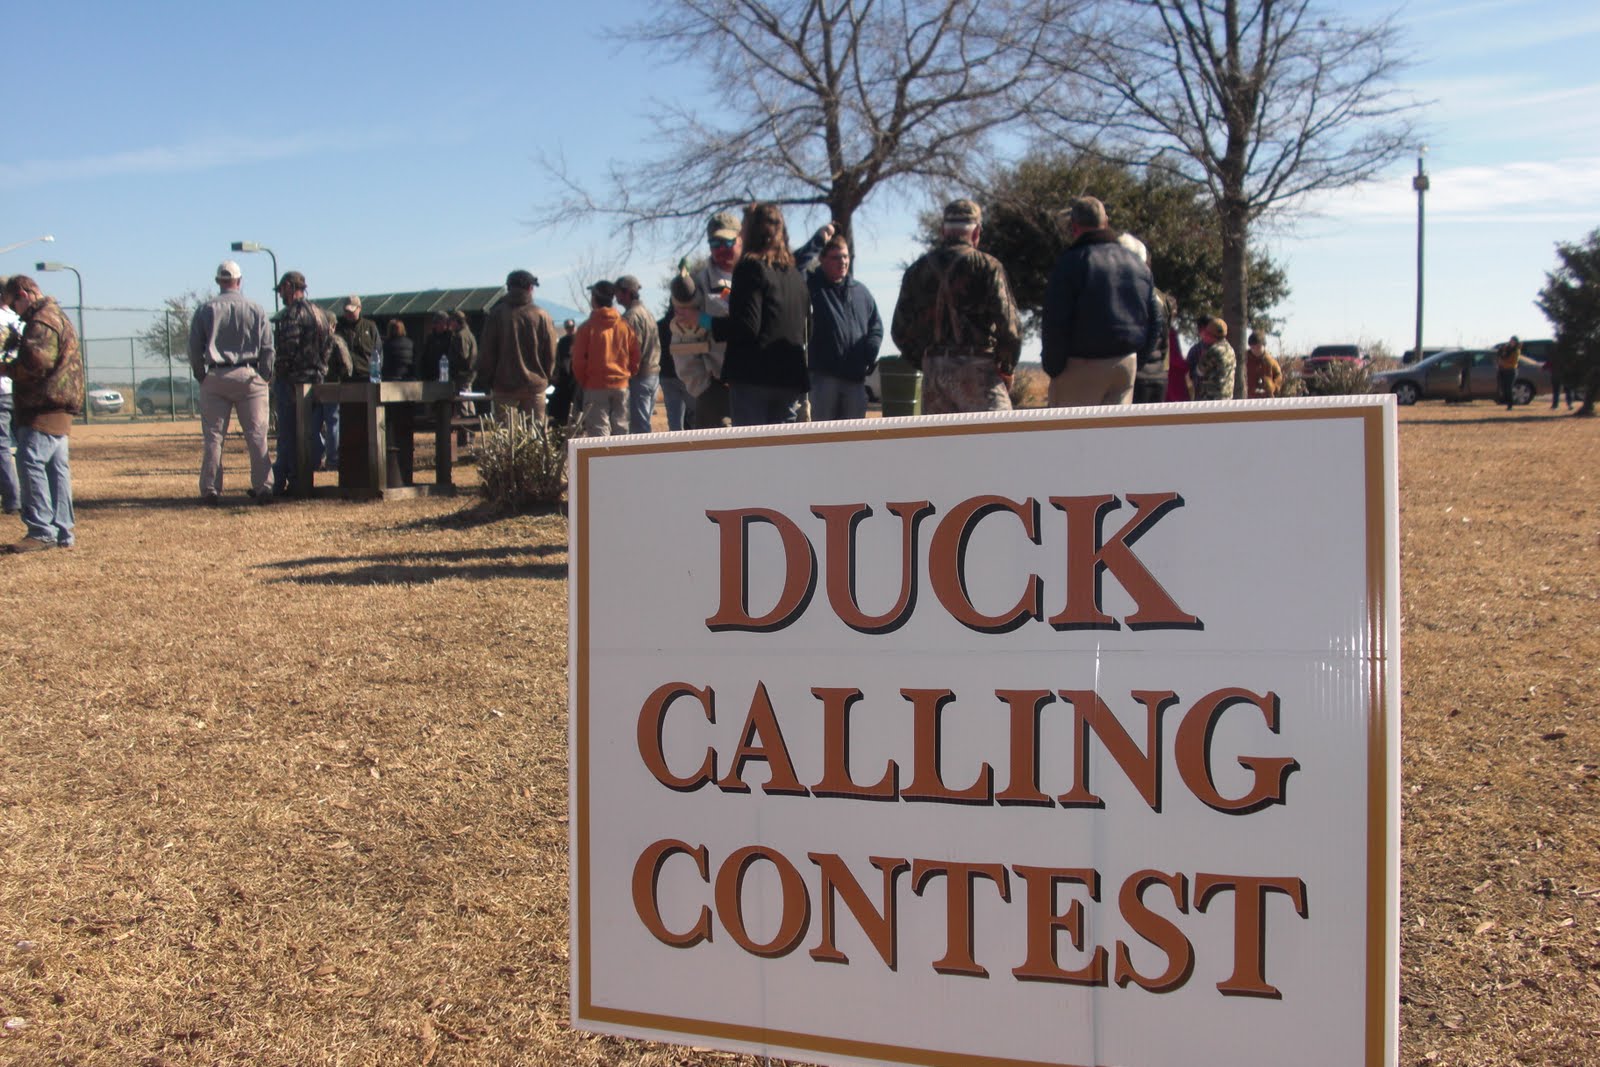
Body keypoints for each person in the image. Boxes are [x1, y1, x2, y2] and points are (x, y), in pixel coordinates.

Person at [891, 198, 1021, 414]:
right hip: (978, 369)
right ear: (977, 232)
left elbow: (899, 331)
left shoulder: (916, 270)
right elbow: (1010, 329)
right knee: (1001, 441)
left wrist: (927, 361)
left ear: (943, 231)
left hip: (934, 374)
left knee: (941, 445)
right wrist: (1006, 368)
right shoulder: (988, 267)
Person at [1041, 197, 1160, 408]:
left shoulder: (1070, 263)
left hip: (1080, 366)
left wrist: (1054, 367)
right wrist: (1137, 360)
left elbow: (1055, 320)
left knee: (1070, 437)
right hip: (1125, 365)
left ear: (1074, 226)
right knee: (1115, 438)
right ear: (1106, 222)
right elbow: (1155, 319)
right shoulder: (1137, 264)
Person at [1, 275, 81, 551]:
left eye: (14, 304)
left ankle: (40, 530)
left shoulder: (42, 320)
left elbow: (38, 363)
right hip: (57, 403)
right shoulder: (57, 315)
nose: (14, 311)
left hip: (43, 403)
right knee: (56, 467)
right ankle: (62, 530)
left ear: (25, 293)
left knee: (30, 460)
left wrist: (7, 368)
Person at [188, 260, 275, 504]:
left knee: (214, 437)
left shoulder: (205, 310)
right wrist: (264, 376)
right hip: (249, 375)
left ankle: (211, 490)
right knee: (257, 435)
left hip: (216, 375)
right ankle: (264, 487)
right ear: (240, 280)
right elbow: (268, 348)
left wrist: (202, 375)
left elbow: (195, 349)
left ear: (218, 281)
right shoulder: (256, 309)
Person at [722, 202, 810, 426]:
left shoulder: (750, 268)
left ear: (750, 231)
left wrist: (706, 322)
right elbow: (808, 327)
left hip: (753, 380)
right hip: (790, 378)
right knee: (782, 456)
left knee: (752, 457)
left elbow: (746, 327)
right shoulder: (795, 276)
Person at [795, 226, 883, 420]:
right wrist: (817, 241)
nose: (842, 262)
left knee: (853, 443)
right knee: (821, 440)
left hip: (856, 381)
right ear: (822, 260)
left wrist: (869, 352)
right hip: (823, 379)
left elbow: (876, 326)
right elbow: (794, 266)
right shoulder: (811, 286)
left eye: (845, 256)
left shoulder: (861, 292)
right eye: (836, 257)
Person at [271, 271, 331, 495]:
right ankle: (300, 479)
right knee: (310, 434)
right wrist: (321, 370)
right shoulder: (320, 313)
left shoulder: (292, 314)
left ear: (288, 286)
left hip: (293, 383)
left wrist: (280, 374)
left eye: (281, 290)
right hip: (316, 382)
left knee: (288, 436)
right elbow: (329, 346)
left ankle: (287, 482)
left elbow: (287, 349)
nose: (280, 295)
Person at [478, 270, 557, 421]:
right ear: (530, 288)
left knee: (506, 437)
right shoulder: (542, 315)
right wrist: (546, 375)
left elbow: (487, 352)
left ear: (508, 287)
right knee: (536, 437)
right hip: (535, 385)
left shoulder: (496, 314)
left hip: (503, 385)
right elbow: (551, 353)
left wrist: (489, 379)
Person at [687, 212, 742, 428]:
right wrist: (703, 388)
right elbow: (684, 345)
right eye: (715, 242)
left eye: (728, 241)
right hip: (717, 393)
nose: (722, 248)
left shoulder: (760, 277)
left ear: (740, 240)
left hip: (757, 390)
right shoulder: (696, 286)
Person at [572, 280, 639, 437]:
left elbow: (578, 361)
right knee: (621, 430)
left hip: (595, 386)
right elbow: (635, 355)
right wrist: (628, 375)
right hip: (621, 385)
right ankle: (621, 461)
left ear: (594, 299)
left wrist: (585, 381)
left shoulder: (586, 328)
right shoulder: (625, 326)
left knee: (598, 431)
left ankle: (603, 462)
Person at [616, 275, 660, 433]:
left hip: (639, 377)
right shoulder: (647, 313)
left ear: (627, 292)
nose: (616, 296)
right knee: (643, 423)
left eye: (618, 292)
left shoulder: (631, 317)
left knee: (639, 428)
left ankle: (647, 457)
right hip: (652, 375)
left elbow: (633, 350)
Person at [0, 277, 21, 514]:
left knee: (2, 446)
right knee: (27, 446)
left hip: (2, 390)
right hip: (20, 388)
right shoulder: (18, 319)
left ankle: (12, 499)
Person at [656, 304, 691, 430]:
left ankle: (676, 445)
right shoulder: (687, 324)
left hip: (666, 376)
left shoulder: (659, 326)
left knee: (674, 417)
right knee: (694, 415)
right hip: (686, 374)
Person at [335, 296, 380, 382]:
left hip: (367, 376)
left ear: (359, 308)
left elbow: (378, 351)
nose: (349, 314)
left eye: (352, 310)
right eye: (347, 311)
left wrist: (375, 376)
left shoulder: (370, 326)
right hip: (346, 378)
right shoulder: (339, 329)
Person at [1192, 316, 1236, 400]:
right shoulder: (1230, 349)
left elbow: (1199, 371)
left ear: (1210, 335)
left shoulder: (1213, 351)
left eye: (1207, 333)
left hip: (1211, 399)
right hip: (1227, 397)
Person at [549, 317, 578, 425]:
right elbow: (558, 359)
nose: (569, 329)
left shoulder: (580, 339)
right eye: (567, 327)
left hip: (576, 379)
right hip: (564, 379)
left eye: (571, 327)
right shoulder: (562, 342)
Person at [1245, 332, 1283, 398]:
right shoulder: (1245, 360)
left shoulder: (1270, 361)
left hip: (1266, 398)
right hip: (1248, 397)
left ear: (1264, 346)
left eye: (1258, 347)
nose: (1256, 350)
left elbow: (1278, 375)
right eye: (1253, 347)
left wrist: (1273, 387)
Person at [1496, 335, 1521, 410]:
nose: (1511, 342)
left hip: (1511, 371)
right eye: (1511, 341)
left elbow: (1514, 362)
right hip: (1503, 370)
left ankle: (1510, 405)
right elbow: (1500, 355)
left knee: (1508, 388)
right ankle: (1505, 402)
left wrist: (1503, 363)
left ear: (1516, 342)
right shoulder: (1506, 349)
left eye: (1513, 341)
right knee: (1503, 387)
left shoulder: (1516, 351)